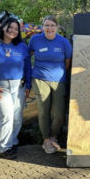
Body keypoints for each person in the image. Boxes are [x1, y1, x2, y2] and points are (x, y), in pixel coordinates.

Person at [0, 17, 32, 160]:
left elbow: (28, 67)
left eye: (16, 29)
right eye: (10, 27)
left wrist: (28, 85)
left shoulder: (22, 46)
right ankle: (4, 148)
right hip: (0, 88)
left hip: (19, 87)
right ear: (3, 27)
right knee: (7, 116)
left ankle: (13, 142)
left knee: (17, 118)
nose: (13, 31)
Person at [28, 15, 72, 154]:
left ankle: (53, 135)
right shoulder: (35, 39)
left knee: (59, 114)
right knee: (44, 111)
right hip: (40, 78)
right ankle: (46, 139)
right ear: (42, 27)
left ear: (57, 28)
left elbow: (68, 61)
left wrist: (59, 74)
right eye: (46, 25)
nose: (49, 28)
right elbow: (28, 56)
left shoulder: (64, 42)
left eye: (52, 25)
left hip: (59, 80)